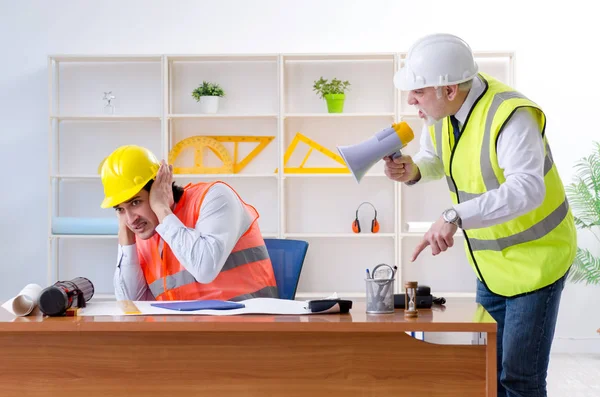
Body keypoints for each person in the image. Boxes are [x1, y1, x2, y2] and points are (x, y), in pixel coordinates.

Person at [385, 33, 576, 397]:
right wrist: (412, 170)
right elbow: (435, 159)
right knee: (486, 373)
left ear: (450, 90)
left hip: (538, 262)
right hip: (490, 267)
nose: (411, 100)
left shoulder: (511, 115)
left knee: (519, 380)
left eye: (419, 91)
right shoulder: (439, 112)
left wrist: (454, 215)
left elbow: (528, 189)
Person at [99, 144, 278, 302]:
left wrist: (161, 208)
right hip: (187, 333)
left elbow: (205, 269)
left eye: (135, 202)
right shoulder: (144, 232)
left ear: (160, 187)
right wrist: (125, 235)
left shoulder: (214, 198)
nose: (130, 219)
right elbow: (130, 303)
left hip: (248, 329)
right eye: (119, 209)